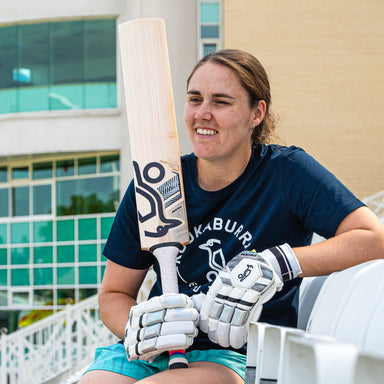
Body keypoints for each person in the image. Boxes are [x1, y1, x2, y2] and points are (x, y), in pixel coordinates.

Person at [79, 49, 384, 384]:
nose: (202, 114)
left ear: (257, 113)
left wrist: (277, 264)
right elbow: (113, 294)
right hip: (152, 351)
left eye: (221, 102)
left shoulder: (286, 172)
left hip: (237, 354)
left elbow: (373, 239)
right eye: (195, 99)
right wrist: (138, 326)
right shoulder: (157, 182)